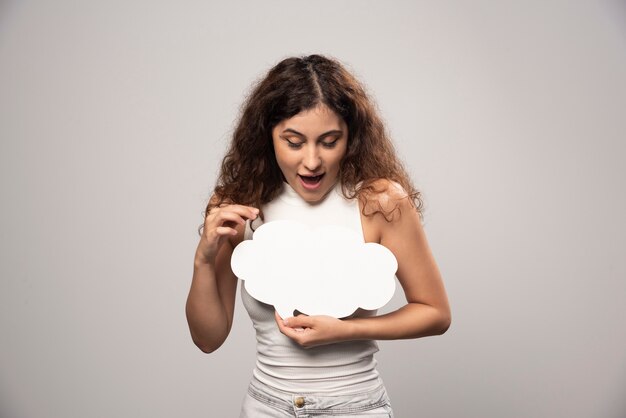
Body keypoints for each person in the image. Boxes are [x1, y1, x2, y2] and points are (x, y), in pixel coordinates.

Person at [186, 54, 451, 417]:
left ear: (351, 138)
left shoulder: (380, 202)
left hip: (355, 407)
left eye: (329, 141)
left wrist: (346, 330)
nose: (312, 161)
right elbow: (208, 338)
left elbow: (435, 313)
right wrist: (203, 259)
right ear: (268, 137)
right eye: (294, 142)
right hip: (267, 407)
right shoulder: (239, 205)